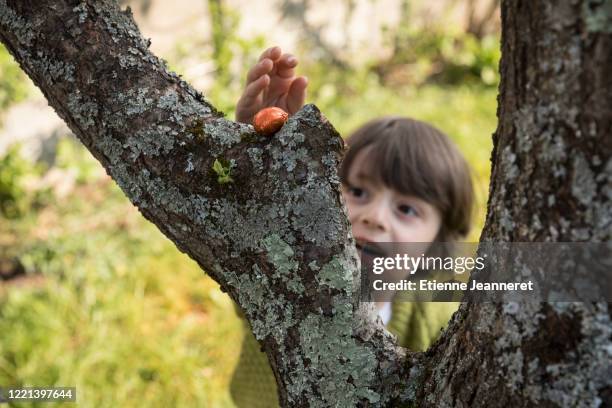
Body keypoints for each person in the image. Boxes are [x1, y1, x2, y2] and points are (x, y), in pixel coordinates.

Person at [229, 46, 474, 408]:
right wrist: (270, 161)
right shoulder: (286, 271)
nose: (374, 216)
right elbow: (244, 233)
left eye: (406, 208)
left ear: (436, 244)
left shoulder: (435, 327)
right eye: (358, 191)